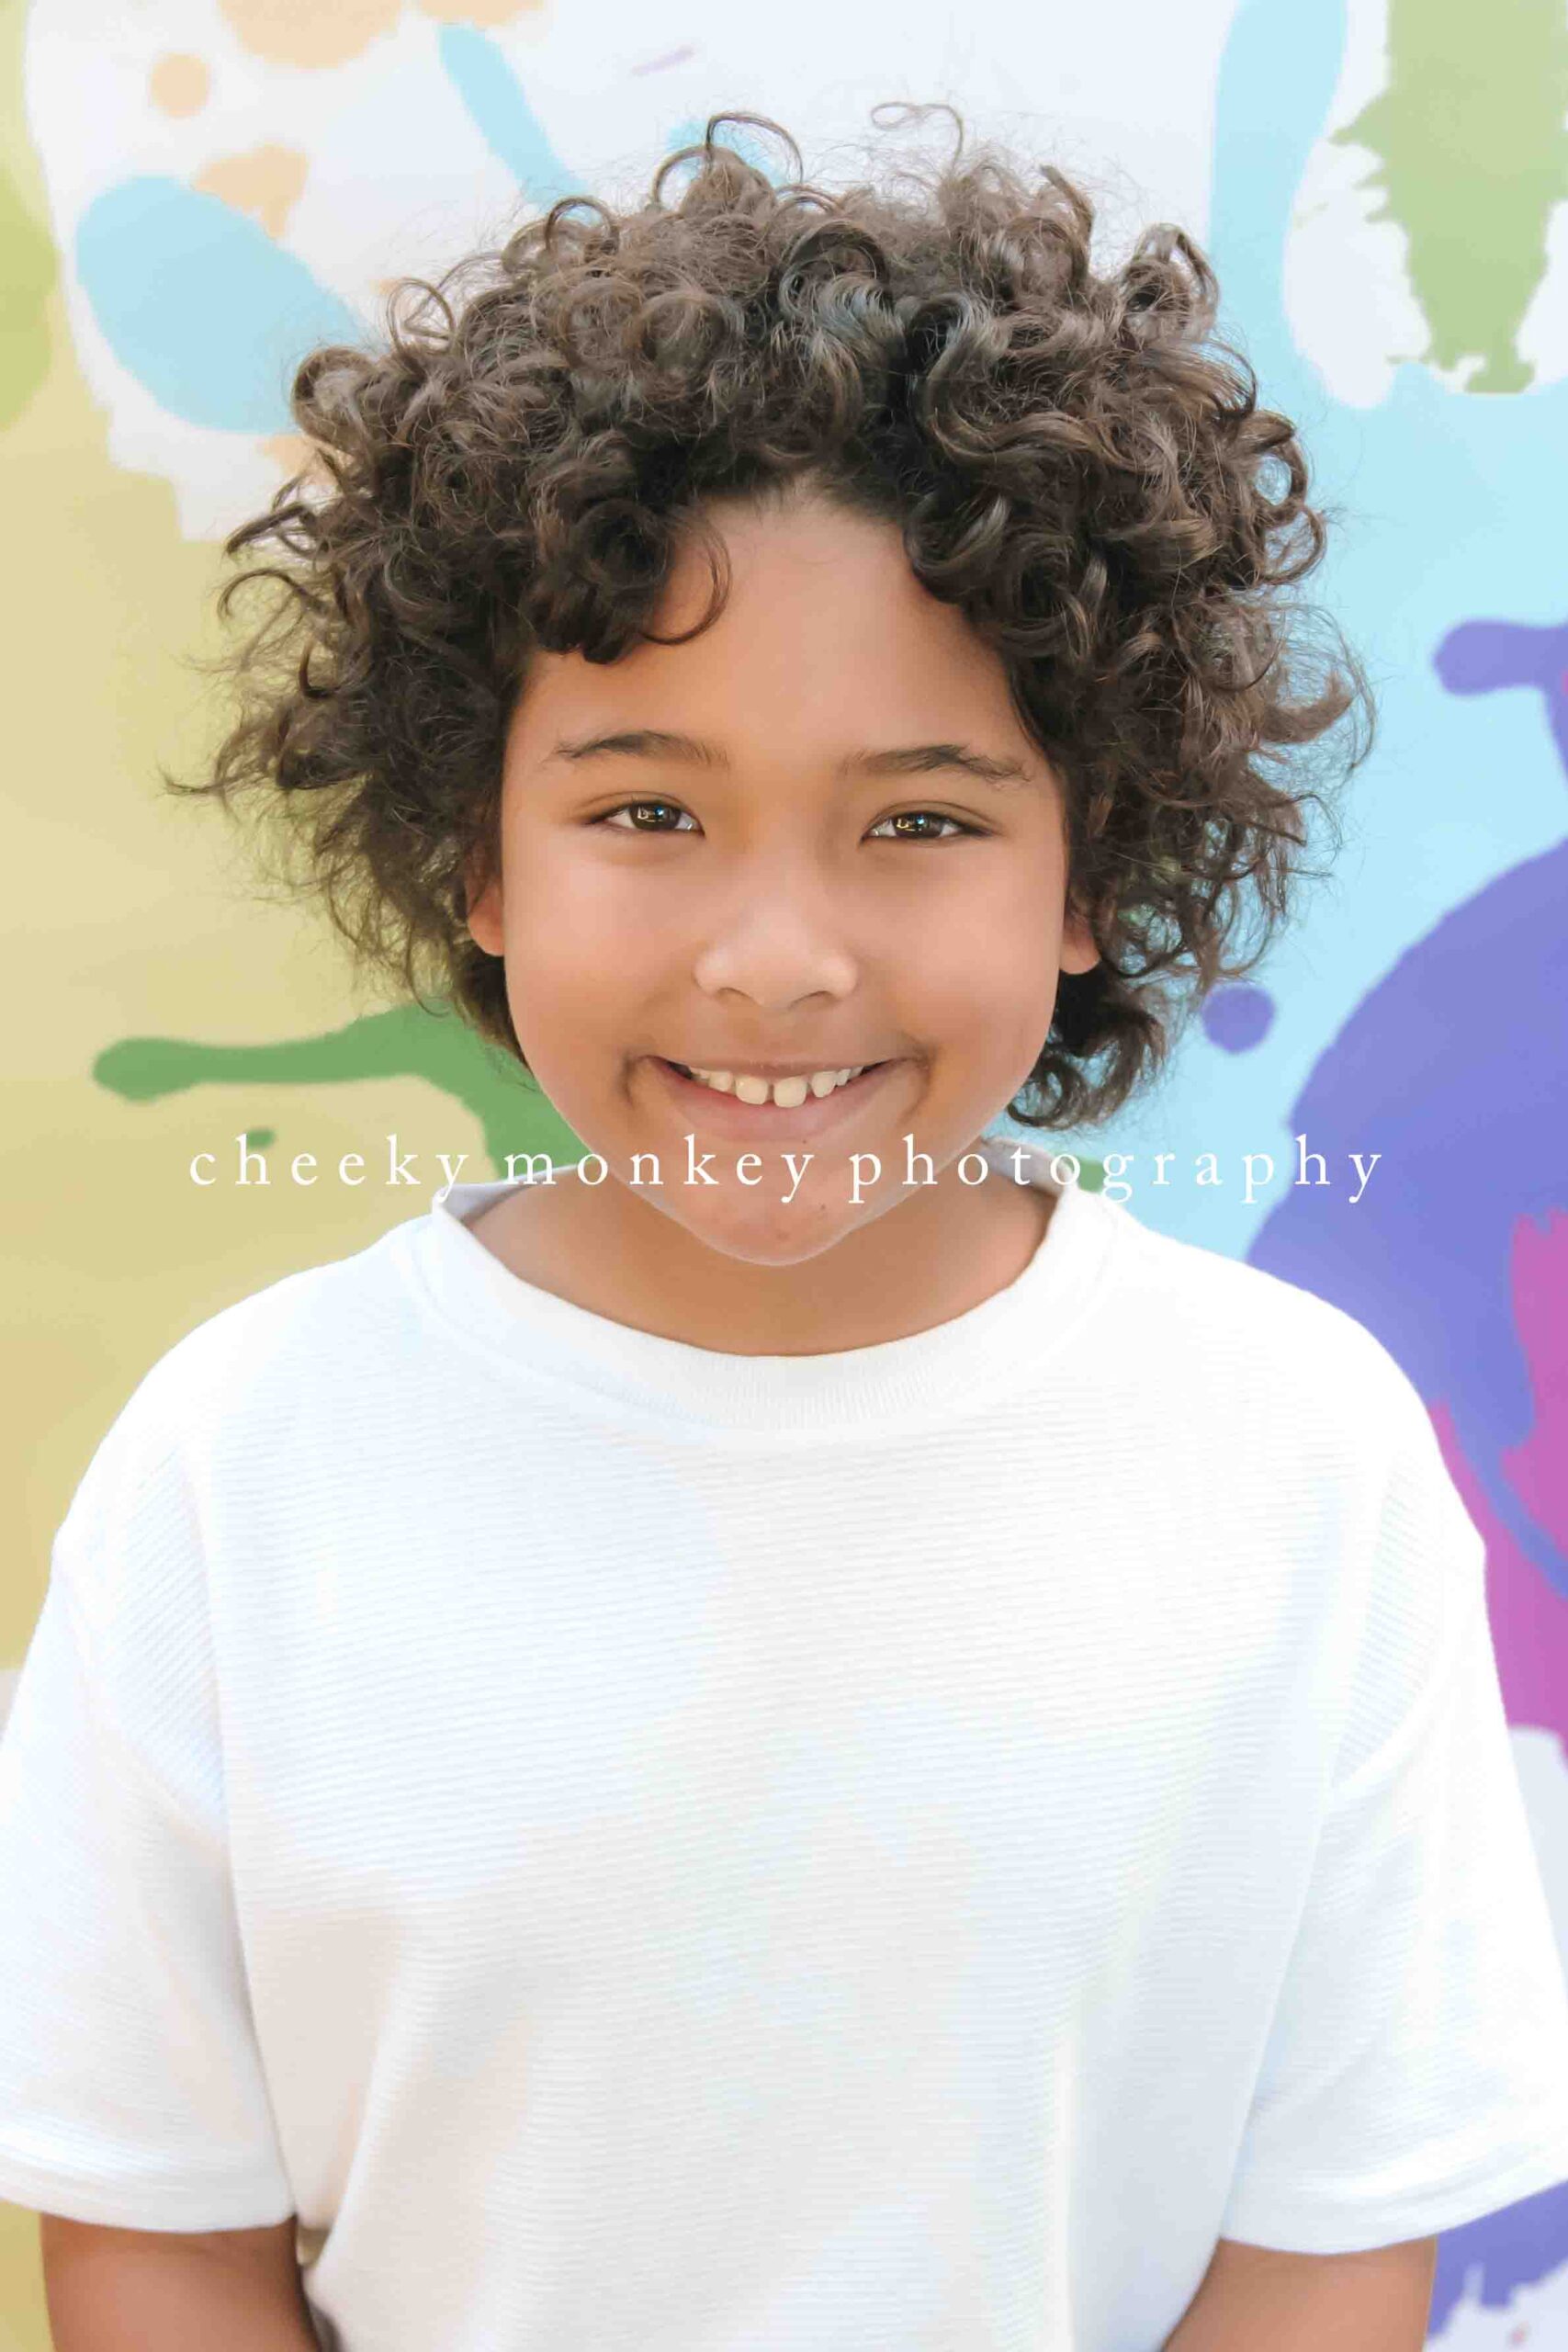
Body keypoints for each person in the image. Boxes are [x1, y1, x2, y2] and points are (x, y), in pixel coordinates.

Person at [3, 109, 1567, 2352]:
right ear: (477, 850)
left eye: (916, 821)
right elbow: (155, 2228)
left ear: (1091, 862)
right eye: (648, 807)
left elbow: (1326, 2236)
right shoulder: (234, 1465)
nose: (773, 959)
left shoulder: (1299, 1458)